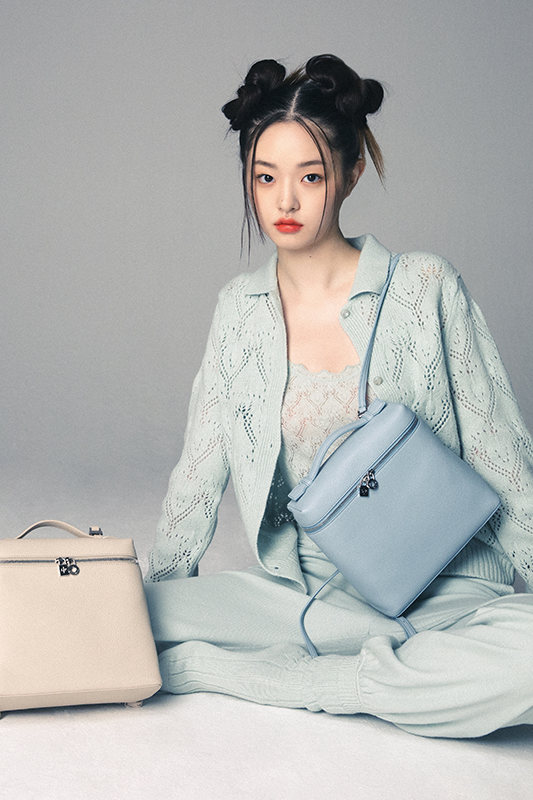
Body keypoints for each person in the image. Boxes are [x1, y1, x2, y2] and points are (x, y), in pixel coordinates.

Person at [142, 54, 533, 738]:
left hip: (450, 589)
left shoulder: (424, 287)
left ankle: (286, 679)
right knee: (112, 619)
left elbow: (504, 460)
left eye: (311, 176)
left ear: (351, 174)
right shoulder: (239, 311)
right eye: (265, 177)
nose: (285, 202)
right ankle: (388, 676)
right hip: (303, 593)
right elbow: (198, 474)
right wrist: (165, 598)